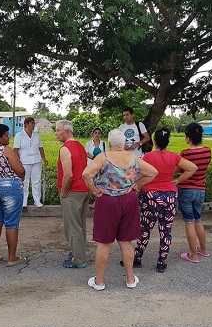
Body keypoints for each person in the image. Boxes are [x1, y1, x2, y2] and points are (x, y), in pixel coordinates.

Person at [82, 129, 158, 290]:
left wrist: (94, 190)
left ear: (109, 143)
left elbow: (86, 174)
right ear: (124, 143)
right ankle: (130, 279)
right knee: (126, 241)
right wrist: (137, 184)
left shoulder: (103, 157)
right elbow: (153, 172)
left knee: (104, 242)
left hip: (108, 200)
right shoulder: (134, 157)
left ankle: (99, 282)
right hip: (129, 200)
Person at [133, 128, 197, 273]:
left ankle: (137, 257)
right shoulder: (174, 157)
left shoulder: (148, 157)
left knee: (145, 228)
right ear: (167, 142)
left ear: (154, 142)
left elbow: (138, 174)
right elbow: (192, 168)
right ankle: (162, 262)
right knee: (166, 229)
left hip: (151, 195)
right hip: (170, 195)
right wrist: (178, 180)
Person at [0, 124, 27, 267]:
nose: (9, 137)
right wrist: (21, 176)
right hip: (9, 187)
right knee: (12, 224)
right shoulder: (6, 150)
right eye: (6, 135)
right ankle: (12, 257)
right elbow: (20, 170)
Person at [55, 120, 90, 268]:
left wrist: (63, 192)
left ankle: (78, 259)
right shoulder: (80, 146)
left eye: (58, 130)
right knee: (80, 224)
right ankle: (78, 252)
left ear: (67, 131)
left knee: (73, 226)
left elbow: (68, 175)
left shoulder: (65, 148)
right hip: (84, 189)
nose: (56, 133)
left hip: (73, 191)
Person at [177, 123, 212, 262]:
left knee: (189, 222)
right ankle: (203, 250)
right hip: (200, 191)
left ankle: (193, 254)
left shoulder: (185, 153)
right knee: (198, 220)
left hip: (186, 190)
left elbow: (179, 169)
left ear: (188, 137)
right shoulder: (208, 151)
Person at [13, 117, 48, 208]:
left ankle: (37, 200)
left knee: (36, 181)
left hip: (36, 160)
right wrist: (16, 162)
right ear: (26, 124)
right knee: (25, 181)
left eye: (34, 123)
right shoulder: (19, 135)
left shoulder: (36, 135)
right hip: (24, 161)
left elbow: (41, 148)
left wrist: (44, 159)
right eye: (32, 123)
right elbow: (16, 150)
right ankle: (24, 200)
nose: (33, 125)